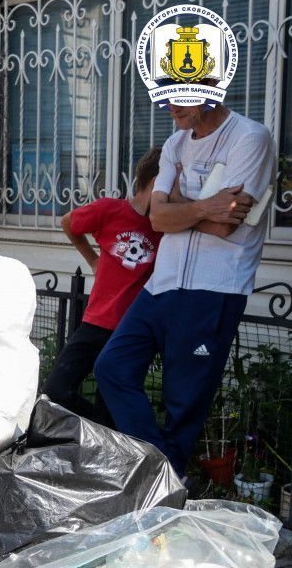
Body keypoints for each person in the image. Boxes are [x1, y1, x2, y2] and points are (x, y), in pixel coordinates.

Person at [95, 99, 276, 478]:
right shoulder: (176, 144)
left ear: (211, 89)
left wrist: (179, 204)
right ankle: (159, 469)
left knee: (184, 404)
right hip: (161, 284)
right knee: (112, 366)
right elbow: (157, 218)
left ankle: (160, 492)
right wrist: (203, 208)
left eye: (181, 98)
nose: (170, 106)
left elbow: (228, 226)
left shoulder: (250, 138)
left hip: (214, 288)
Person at [41, 147, 163, 425]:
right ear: (157, 182)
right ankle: (98, 428)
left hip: (131, 331)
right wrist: (93, 259)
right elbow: (69, 223)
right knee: (56, 390)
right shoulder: (110, 210)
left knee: (111, 401)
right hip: (96, 322)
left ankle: (102, 443)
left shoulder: (164, 228)